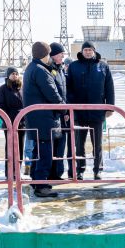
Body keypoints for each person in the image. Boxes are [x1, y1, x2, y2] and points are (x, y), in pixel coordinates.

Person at [66, 41, 115, 180]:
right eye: (85, 50)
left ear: (94, 51)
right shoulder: (74, 66)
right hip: (79, 112)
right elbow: (68, 88)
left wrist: (110, 107)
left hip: (97, 111)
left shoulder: (103, 66)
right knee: (79, 144)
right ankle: (80, 170)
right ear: (82, 51)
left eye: (90, 50)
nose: (87, 52)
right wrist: (70, 107)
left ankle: (97, 170)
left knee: (97, 144)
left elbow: (109, 88)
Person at [23, 42, 65, 198]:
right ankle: (41, 185)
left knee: (38, 151)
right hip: (43, 119)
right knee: (45, 153)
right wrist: (64, 108)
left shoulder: (31, 68)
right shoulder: (41, 71)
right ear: (45, 55)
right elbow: (52, 93)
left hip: (37, 118)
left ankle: (37, 181)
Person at [48, 43, 72, 180]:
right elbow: (53, 93)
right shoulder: (49, 70)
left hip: (62, 113)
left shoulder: (60, 69)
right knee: (53, 144)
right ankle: (52, 173)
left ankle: (58, 173)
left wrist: (66, 111)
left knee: (61, 144)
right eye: (60, 53)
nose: (63, 56)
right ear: (53, 55)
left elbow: (64, 93)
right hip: (53, 114)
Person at [0, 67, 24, 179]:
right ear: (8, 75)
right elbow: (0, 106)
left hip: (21, 124)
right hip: (10, 124)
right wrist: (8, 121)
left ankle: (18, 172)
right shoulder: (3, 89)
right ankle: (10, 173)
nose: (15, 75)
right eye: (12, 74)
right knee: (10, 149)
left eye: (16, 73)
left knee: (20, 149)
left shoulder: (21, 88)